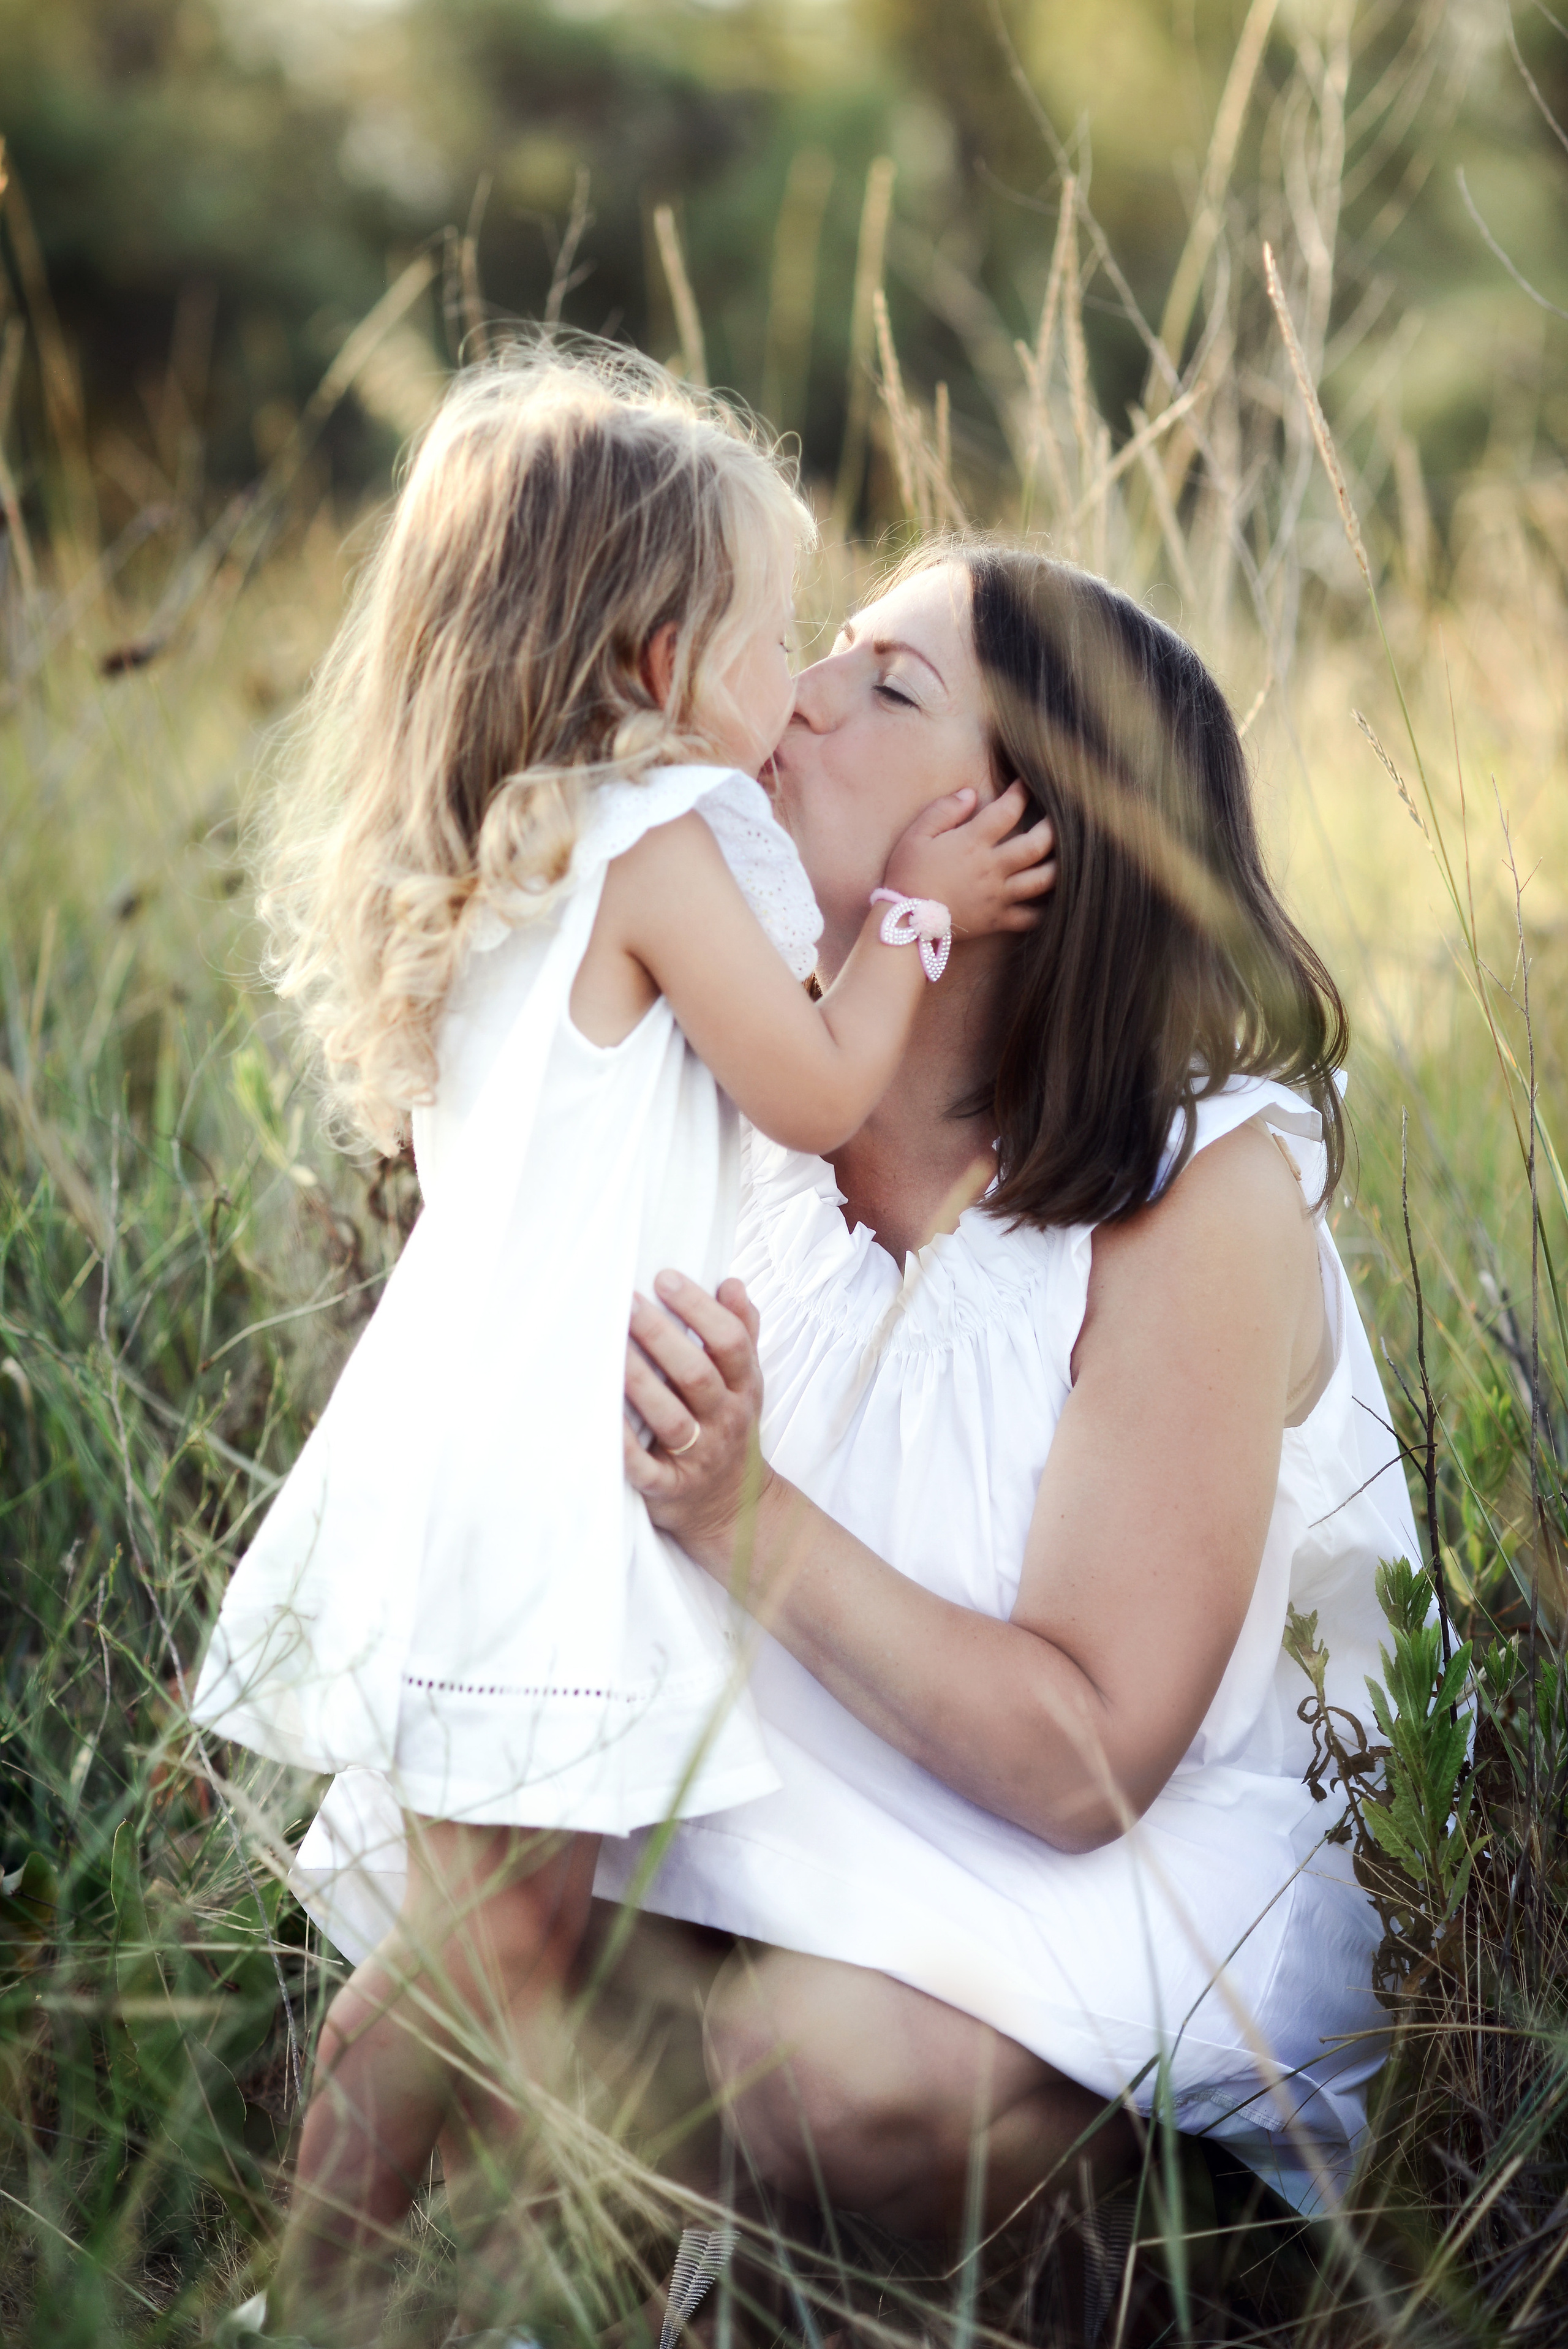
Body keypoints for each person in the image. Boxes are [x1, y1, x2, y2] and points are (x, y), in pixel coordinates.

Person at [192, 358, 1052, 2345]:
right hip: (548, 1476)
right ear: (661, 659)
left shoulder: (533, 841)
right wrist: (917, 920)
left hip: (481, 1443)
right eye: (772, 636)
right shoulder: (661, 834)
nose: (799, 684)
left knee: (515, 1922)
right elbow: (819, 1087)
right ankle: (311, 2295)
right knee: (495, 1939)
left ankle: (465, 2287)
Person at [604, 543, 1419, 2239]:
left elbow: (1087, 1762)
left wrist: (737, 1511)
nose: (795, 697)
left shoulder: (1201, 1189)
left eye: (886, 686)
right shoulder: (746, 1073)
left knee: (811, 2085)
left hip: (1124, 1845)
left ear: (1040, 840)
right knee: (465, 1930)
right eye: (829, 648)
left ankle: (1151, 2218)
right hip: (810, 1781)